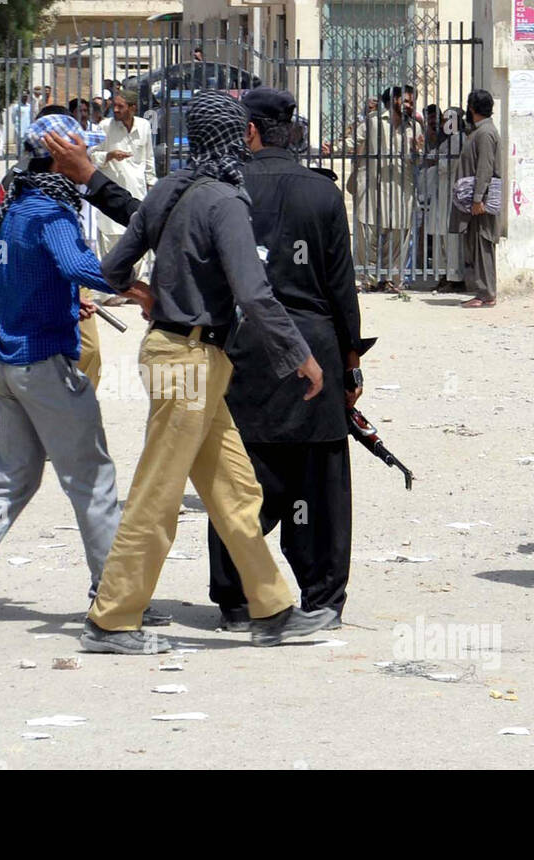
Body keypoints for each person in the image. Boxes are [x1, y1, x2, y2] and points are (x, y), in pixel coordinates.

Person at [81, 90, 334, 654]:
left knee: (236, 491)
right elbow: (255, 293)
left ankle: (270, 611)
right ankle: (112, 620)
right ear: (240, 136)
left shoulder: (169, 190)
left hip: (183, 356)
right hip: (191, 362)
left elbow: (111, 268)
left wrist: (151, 295)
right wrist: (302, 357)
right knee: (158, 493)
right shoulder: (224, 201)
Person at [0, 114, 166, 626]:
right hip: (48, 364)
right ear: (57, 156)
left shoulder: (12, 211)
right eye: (81, 150)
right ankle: (115, 595)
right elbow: (79, 267)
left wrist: (51, 296)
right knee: (93, 478)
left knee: (12, 478)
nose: (90, 160)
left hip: (9, 365)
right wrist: (139, 289)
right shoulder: (52, 213)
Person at [205, 88, 368, 631]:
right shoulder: (321, 194)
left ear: (248, 132)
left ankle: (236, 598)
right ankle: (321, 599)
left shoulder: (223, 189)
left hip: (244, 350)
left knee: (241, 477)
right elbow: (342, 287)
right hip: (314, 350)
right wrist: (351, 364)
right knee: (318, 487)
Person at [332, 86, 419, 292]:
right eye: (406, 101)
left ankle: (392, 280)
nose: (410, 105)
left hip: (402, 189)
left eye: (411, 102)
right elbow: (353, 141)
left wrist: (418, 151)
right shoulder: (373, 122)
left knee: (398, 235)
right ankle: (366, 279)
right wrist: (332, 148)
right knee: (367, 235)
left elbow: (418, 161)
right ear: (395, 101)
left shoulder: (414, 128)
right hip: (373, 187)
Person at [67, 97, 106, 386]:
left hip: (76, 284)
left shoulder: (71, 188)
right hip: (68, 285)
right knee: (85, 349)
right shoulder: (47, 204)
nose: (87, 155)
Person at [93, 89, 157, 261]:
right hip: (111, 195)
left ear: (133, 108)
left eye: (120, 106)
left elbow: (148, 158)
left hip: (137, 193)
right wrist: (109, 155)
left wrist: (152, 185)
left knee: (138, 247)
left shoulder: (143, 126)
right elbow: (91, 155)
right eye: (114, 106)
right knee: (112, 246)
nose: (115, 110)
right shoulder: (105, 126)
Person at [453, 89, 501, 308]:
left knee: (483, 243)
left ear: (471, 108)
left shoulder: (485, 133)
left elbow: (485, 168)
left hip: (481, 200)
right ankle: (484, 292)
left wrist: (477, 198)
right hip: (477, 198)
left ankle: (486, 293)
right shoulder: (480, 131)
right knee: (478, 243)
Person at [422, 105, 466, 291]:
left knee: (451, 237)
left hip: (452, 193)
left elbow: (447, 164)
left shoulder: (460, 139)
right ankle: (442, 274)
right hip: (441, 193)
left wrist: (435, 159)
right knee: (440, 236)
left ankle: (454, 276)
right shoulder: (445, 140)